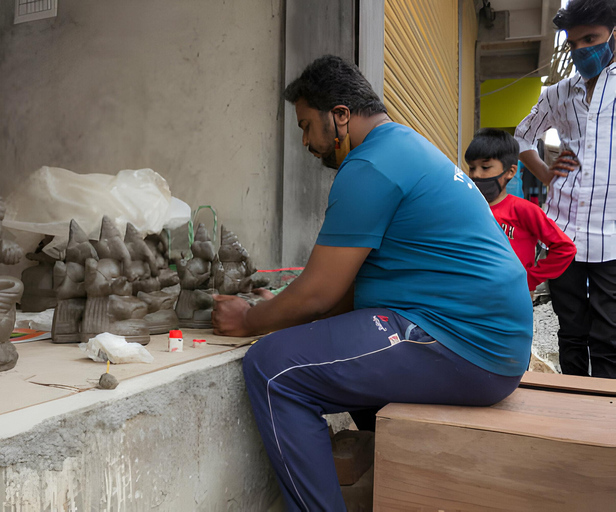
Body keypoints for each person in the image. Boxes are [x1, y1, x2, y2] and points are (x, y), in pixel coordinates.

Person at [212, 55, 532, 511]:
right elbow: (338, 293)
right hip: (484, 340)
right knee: (335, 347)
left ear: (339, 116)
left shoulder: (370, 166)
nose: (305, 141)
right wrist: (281, 309)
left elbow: (321, 292)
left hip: (467, 345)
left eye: (306, 126)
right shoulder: (404, 147)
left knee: (274, 368)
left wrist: (249, 319)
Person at [515, 0, 616, 378]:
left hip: (612, 236)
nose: (580, 51)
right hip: (564, 231)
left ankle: (605, 421)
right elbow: (522, 137)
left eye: (590, 39)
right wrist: (545, 173)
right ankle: (572, 408)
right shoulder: (558, 94)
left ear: (612, 35)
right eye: (573, 44)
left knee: (608, 335)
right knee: (571, 331)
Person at [466, 128, 576, 298]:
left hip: (513, 301)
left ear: (510, 171)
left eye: (485, 167)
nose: (476, 175)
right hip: (473, 298)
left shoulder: (524, 210)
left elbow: (565, 248)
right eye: (472, 168)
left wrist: (530, 279)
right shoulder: (466, 210)